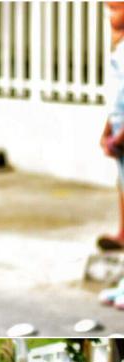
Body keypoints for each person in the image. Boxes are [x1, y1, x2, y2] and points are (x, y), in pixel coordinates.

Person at [97, 2, 124, 251]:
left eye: (115, 9)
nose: (109, 16)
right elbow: (116, 95)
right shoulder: (118, 48)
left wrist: (119, 136)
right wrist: (108, 129)